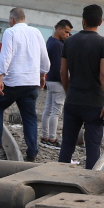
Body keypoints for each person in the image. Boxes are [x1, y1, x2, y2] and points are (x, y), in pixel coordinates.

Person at [0, 8, 48, 162]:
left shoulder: (10, 32)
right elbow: (44, 56)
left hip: (13, 82)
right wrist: (42, 75)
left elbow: (6, 55)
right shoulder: (36, 32)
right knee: (29, 117)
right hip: (31, 83)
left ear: (12, 19)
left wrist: (0, 77)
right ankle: (32, 152)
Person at [59, 5, 104, 169]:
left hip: (73, 100)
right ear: (100, 22)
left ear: (83, 21)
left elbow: (63, 72)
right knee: (93, 147)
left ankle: (58, 176)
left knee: (67, 144)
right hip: (94, 103)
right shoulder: (102, 43)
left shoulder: (69, 41)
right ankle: (89, 180)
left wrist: (69, 92)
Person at [40, 20, 73, 149]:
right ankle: (52, 139)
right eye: (66, 32)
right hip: (58, 82)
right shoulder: (58, 45)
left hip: (50, 80)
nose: (67, 35)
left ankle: (45, 137)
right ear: (59, 29)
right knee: (56, 112)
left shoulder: (50, 40)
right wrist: (66, 85)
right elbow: (61, 69)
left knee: (48, 110)